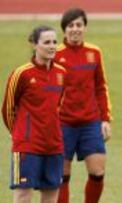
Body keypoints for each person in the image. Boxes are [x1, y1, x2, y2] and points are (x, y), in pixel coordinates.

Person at [2, 25, 66, 203]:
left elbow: (58, 105)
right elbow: (7, 108)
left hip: (54, 145)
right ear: (34, 45)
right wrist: (20, 133)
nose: (52, 46)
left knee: (51, 195)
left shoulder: (61, 73)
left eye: (54, 42)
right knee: (23, 196)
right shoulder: (21, 74)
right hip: (27, 145)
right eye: (46, 42)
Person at [54, 8, 112, 203]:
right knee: (62, 175)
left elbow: (100, 87)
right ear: (64, 30)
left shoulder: (94, 53)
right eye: (71, 25)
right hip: (63, 123)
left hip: (90, 122)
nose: (75, 29)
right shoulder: (55, 55)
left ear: (85, 28)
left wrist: (105, 119)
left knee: (98, 172)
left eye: (79, 25)